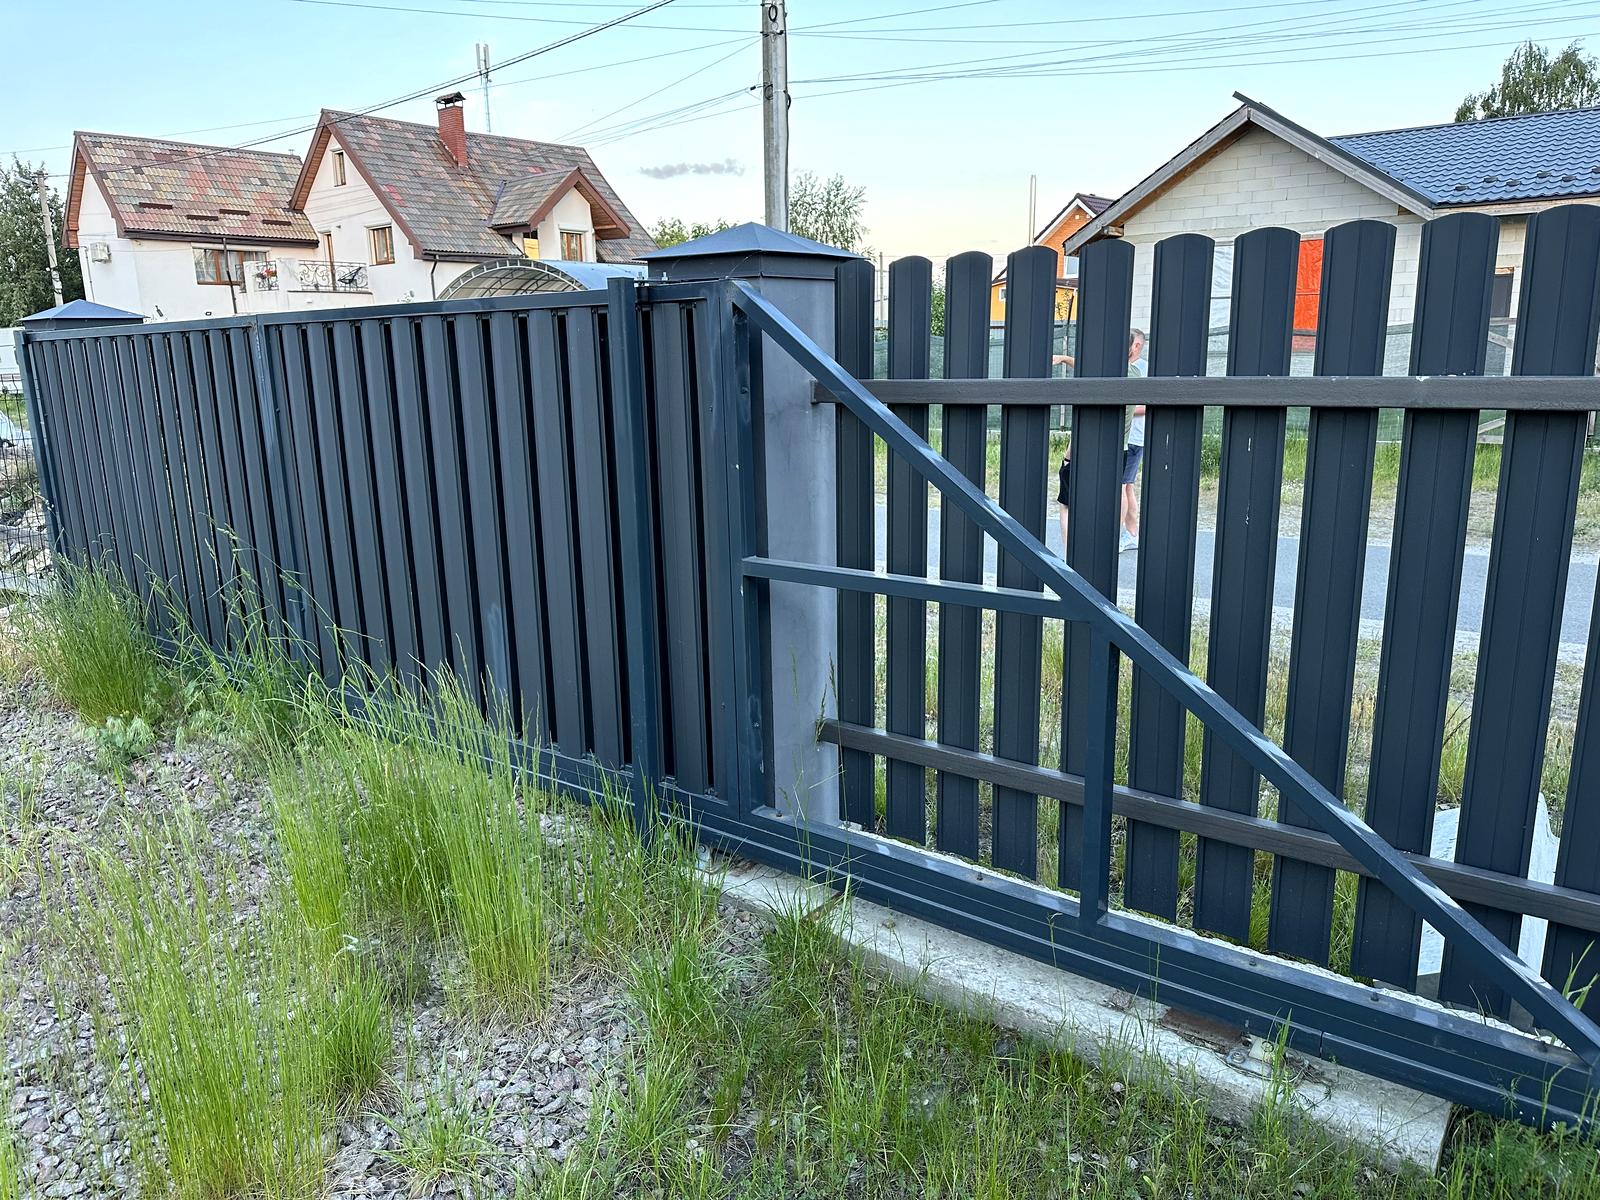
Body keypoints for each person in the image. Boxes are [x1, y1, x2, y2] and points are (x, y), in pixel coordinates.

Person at [1050, 329, 1147, 555]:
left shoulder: (1094, 374)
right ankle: (1105, 548)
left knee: (1067, 504)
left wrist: (1063, 358)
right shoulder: (1134, 375)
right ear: (1132, 349)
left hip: (1083, 449)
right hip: (1117, 451)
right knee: (1109, 500)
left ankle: (1070, 557)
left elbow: (1083, 365)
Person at [1121, 328, 1147, 553]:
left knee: (1121, 487)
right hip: (1131, 439)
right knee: (1127, 487)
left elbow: (1146, 406)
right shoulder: (1127, 369)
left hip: (1133, 439)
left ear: (1136, 345)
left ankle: (1121, 533)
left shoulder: (1141, 369)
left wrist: (1124, 408)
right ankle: (1131, 534)